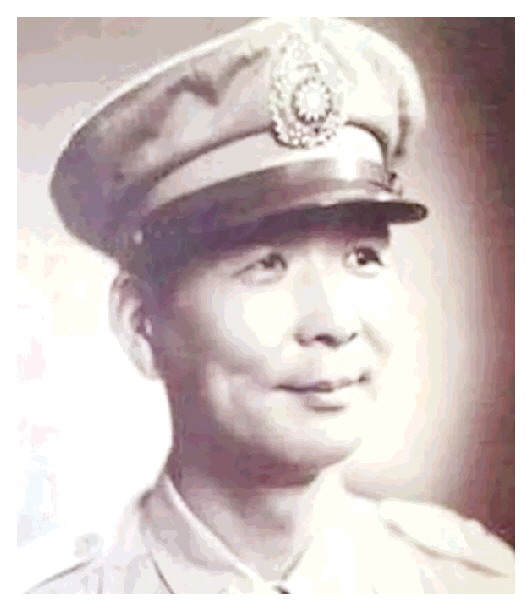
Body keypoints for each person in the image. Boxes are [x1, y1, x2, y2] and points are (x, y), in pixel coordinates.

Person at [27, 17, 514, 594]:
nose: (335, 322)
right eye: (265, 264)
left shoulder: (477, 585)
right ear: (140, 324)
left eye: (362, 256)